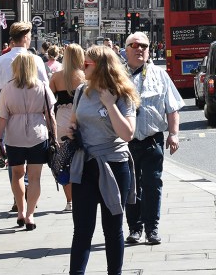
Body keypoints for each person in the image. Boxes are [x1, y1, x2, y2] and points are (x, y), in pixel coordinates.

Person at [67, 45, 139, 275]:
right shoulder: (81, 91)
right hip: (85, 165)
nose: (82, 67)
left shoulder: (122, 94)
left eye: (86, 64)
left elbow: (127, 134)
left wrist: (109, 104)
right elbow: (74, 121)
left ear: (100, 67)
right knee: (82, 230)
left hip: (114, 166)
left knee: (113, 229)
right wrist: (71, 130)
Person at [123, 32, 183, 246]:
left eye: (144, 46)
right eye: (135, 45)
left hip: (152, 140)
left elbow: (172, 107)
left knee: (152, 185)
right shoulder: (118, 76)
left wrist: (173, 134)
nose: (140, 49)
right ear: (126, 49)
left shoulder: (160, 74)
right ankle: (134, 228)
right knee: (131, 187)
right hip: (126, 142)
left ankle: (152, 228)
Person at [0, 52, 56, 230]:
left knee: (17, 175)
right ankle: (30, 214)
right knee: (35, 177)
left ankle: (20, 211)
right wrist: (55, 135)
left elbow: (2, 117)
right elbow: (50, 114)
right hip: (38, 134)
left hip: (14, 136)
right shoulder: (42, 86)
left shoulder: (7, 88)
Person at [50, 43, 85, 211]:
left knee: (64, 161)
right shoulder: (84, 76)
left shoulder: (56, 76)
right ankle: (83, 196)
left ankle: (69, 200)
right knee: (83, 159)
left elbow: (49, 100)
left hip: (62, 118)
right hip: (80, 118)